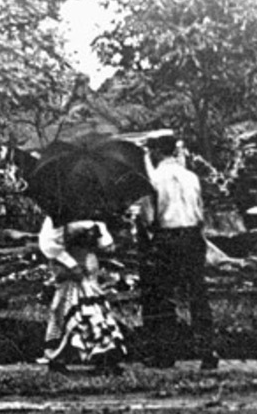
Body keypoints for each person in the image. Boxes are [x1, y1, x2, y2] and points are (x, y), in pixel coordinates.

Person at [139, 133, 218, 371]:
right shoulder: (191, 177)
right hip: (193, 237)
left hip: (168, 238)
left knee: (162, 295)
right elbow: (200, 212)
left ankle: (165, 352)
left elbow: (149, 218)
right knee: (198, 294)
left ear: (156, 152)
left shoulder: (152, 180)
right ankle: (208, 350)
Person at [37, 215, 128, 374]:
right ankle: (57, 358)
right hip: (69, 269)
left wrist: (102, 236)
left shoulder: (95, 216)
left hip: (89, 269)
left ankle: (102, 355)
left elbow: (106, 245)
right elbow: (47, 245)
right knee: (68, 310)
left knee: (95, 310)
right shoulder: (57, 217)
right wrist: (71, 265)